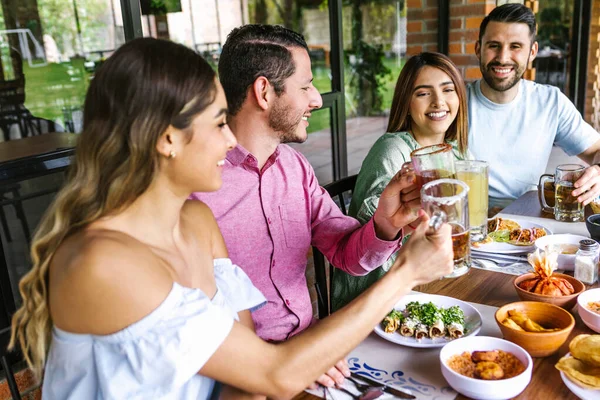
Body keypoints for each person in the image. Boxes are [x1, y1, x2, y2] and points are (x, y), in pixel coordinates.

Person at [8, 38, 454, 399]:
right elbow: (267, 374)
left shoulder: (198, 219)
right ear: (167, 139)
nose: (228, 142)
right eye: (220, 123)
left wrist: (385, 225)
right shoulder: (103, 264)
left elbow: (246, 381)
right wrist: (408, 273)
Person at [192, 25, 420, 341]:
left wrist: (385, 224)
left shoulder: (295, 167)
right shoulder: (195, 189)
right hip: (244, 374)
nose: (316, 99)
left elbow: (345, 253)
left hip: (310, 348)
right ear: (264, 92)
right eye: (305, 86)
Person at [330, 52, 472, 312]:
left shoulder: (455, 151)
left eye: (448, 90)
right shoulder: (392, 149)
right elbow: (373, 243)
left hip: (431, 280)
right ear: (406, 101)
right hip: (380, 297)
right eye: (423, 93)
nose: (438, 102)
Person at [469, 3, 600, 211]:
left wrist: (598, 171)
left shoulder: (550, 102)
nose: (503, 58)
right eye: (494, 45)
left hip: (529, 225)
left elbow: (596, 149)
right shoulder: (454, 104)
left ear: (532, 52)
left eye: (515, 47)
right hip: (471, 225)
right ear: (478, 49)